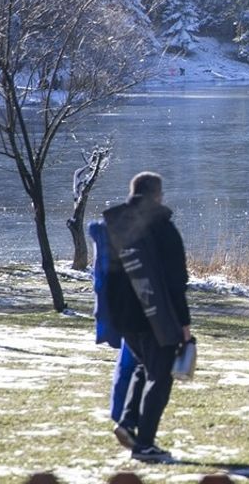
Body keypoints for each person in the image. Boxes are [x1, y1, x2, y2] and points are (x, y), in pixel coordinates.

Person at [104, 172, 192, 463]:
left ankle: (128, 423)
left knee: (144, 365)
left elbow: (109, 274)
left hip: (125, 316)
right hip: (155, 315)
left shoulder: (118, 224)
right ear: (157, 195)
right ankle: (145, 444)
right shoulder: (163, 228)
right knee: (161, 376)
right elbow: (176, 280)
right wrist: (184, 323)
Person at [89, 217, 139, 423]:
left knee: (127, 365)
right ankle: (125, 419)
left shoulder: (106, 255)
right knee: (136, 366)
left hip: (121, 314)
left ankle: (120, 414)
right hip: (134, 317)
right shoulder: (124, 255)